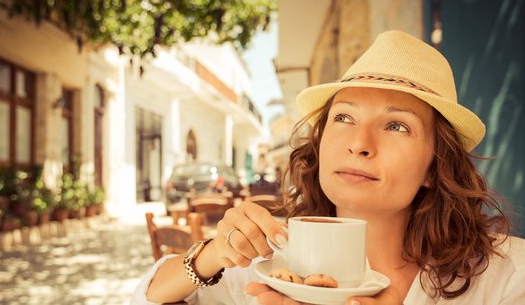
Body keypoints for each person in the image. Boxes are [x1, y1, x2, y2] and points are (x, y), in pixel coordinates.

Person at [131, 30, 525, 304]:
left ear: (433, 166)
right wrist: (214, 254)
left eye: (396, 125)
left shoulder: (506, 275)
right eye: (344, 118)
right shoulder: (271, 265)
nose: (359, 144)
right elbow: (148, 296)